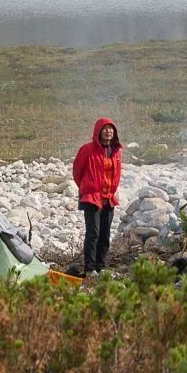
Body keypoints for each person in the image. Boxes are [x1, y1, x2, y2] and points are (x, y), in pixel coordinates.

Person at [72, 118, 124, 275]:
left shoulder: (115, 152)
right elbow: (77, 172)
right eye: (105, 128)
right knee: (93, 233)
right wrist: (87, 188)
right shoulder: (87, 150)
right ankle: (90, 268)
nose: (108, 131)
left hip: (108, 197)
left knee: (105, 234)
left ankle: (101, 267)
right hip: (92, 198)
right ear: (98, 131)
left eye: (111, 128)